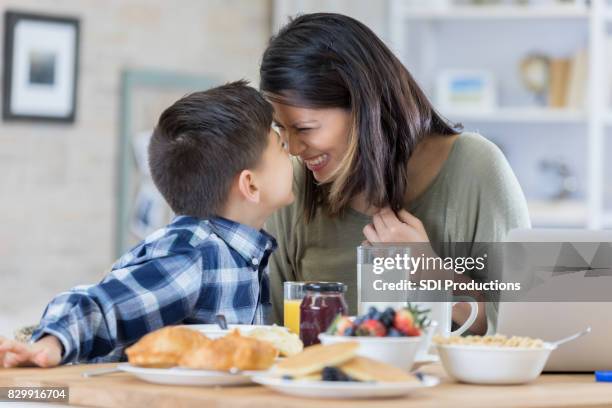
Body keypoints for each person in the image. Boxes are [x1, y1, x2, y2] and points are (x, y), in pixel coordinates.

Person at [261, 13, 530, 335]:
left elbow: (527, 328)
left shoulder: (475, 168)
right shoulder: (293, 185)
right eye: (281, 128)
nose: (291, 147)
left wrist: (430, 272)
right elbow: (272, 336)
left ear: (364, 107)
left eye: (304, 128)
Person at [0, 81, 294, 367]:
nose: (292, 151)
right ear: (251, 185)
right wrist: (50, 344)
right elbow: (106, 305)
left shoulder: (247, 253)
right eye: (281, 145)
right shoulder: (194, 255)